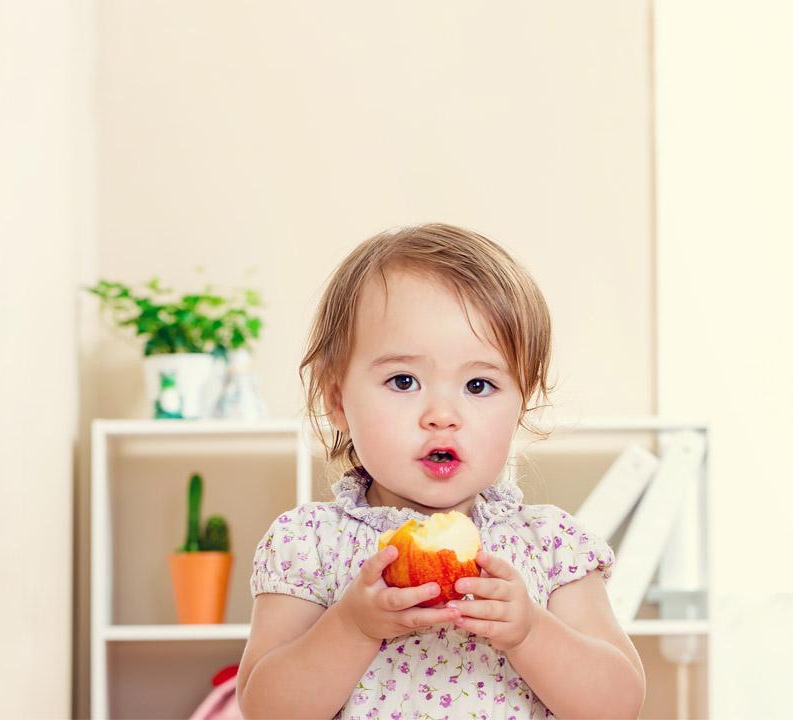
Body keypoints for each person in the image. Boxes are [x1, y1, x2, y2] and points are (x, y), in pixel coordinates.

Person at [236, 223, 645, 719]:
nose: (442, 414)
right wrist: (351, 627)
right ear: (337, 399)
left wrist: (532, 632)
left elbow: (618, 705)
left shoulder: (550, 544)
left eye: (478, 385)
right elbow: (266, 710)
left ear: (523, 403)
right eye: (403, 380)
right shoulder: (310, 543)